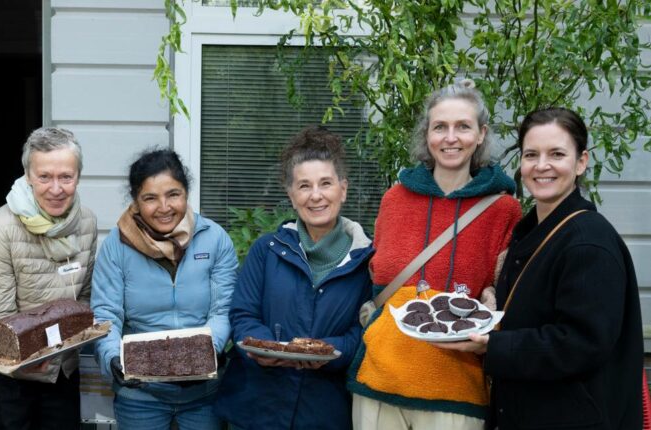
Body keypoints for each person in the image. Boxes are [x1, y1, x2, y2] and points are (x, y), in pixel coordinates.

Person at [436, 107, 643, 429]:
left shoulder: (588, 243)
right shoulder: (533, 231)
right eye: (531, 154)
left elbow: (580, 343)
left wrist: (493, 345)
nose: (542, 166)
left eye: (557, 154)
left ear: (581, 162)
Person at [347, 80, 522, 429]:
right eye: (440, 127)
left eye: (463, 126)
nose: (450, 137)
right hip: (381, 378)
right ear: (427, 134)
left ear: (481, 134)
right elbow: (377, 280)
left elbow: (507, 298)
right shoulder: (395, 199)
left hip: (456, 387)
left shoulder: (503, 209)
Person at [214, 126, 374, 429]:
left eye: (325, 183)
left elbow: (363, 333)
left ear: (343, 188)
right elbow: (242, 313)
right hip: (256, 409)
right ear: (291, 194)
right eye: (304, 186)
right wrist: (265, 347)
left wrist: (328, 350)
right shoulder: (267, 250)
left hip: (325, 412)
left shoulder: (366, 261)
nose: (315, 196)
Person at [92, 149, 237, 430]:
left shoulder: (214, 239)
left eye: (173, 194)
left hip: (203, 393)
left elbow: (223, 310)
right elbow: (106, 313)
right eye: (150, 198)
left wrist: (207, 352)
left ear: (186, 193)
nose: (164, 207)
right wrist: (112, 358)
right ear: (136, 200)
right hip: (140, 393)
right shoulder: (116, 246)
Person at [0, 127, 97, 430]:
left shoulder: (87, 223)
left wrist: (65, 349)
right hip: (9, 373)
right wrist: (28, 359)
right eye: (45, 177)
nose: (56, 188)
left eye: (66, 177)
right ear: (28, 175)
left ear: (78, 176)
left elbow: (84, 298)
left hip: (61, 368)